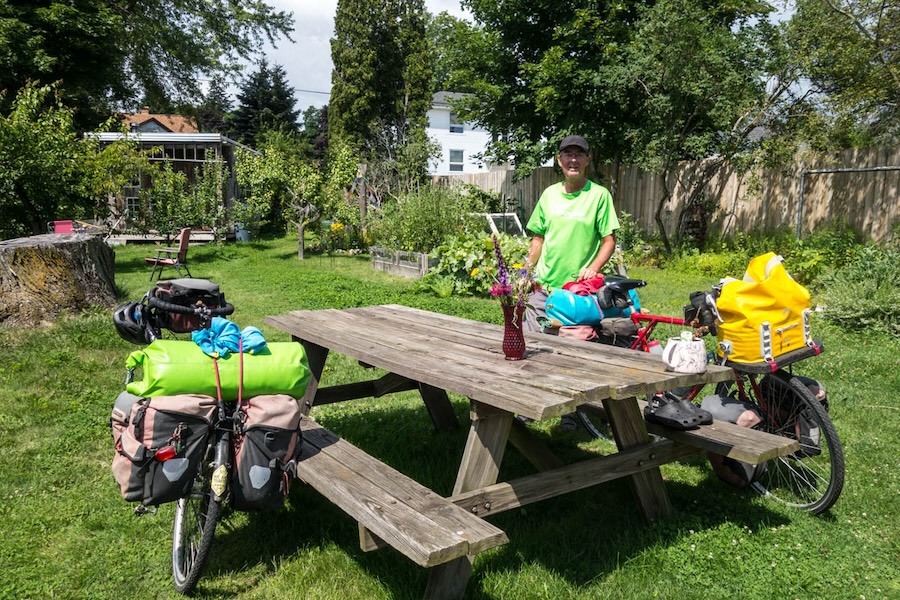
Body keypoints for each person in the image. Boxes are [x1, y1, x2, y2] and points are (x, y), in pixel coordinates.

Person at [524, 135, 620, 334]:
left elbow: (609, 241)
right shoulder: (549, 195)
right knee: (532, 343)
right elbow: (538, 239)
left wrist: (593, 268)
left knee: (570, 350)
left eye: (579, 155)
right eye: (568, 154)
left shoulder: (599, 195)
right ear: (559, 160)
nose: (573, 160)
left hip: (576, 291)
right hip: (543, 288)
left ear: (587, 160)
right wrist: (525, 273)